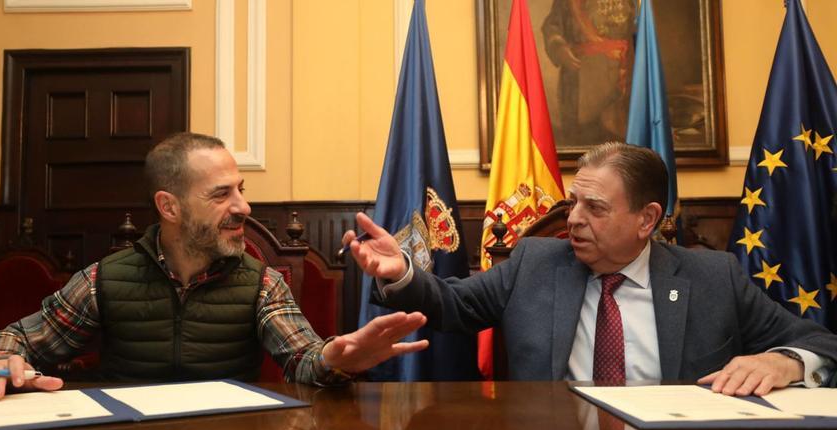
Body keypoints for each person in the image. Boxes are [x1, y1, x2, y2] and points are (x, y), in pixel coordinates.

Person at [0, 132, 428, 401]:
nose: (244, 207)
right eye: (222, 194)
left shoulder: (263, 283)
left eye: (241, 189)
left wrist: (334, 359)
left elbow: (304, 359)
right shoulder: (105, 278)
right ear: (169, 206)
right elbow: (10, 340)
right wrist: (3, 363)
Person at [344, 142, 837, 396]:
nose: (573, 219)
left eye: (594, 208)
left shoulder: (713, 277)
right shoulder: (537, 262)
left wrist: (785, 362)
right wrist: (401, 271)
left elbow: (822, 344)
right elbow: (453, 304)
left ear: (647, 220)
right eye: (573, 201)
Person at [542, 0, 636, 146]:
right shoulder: (567, 3)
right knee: (583, 144)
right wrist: (559, 49)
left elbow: (638, 31)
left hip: (622, 76)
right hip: (581, 82)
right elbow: (552, 27)